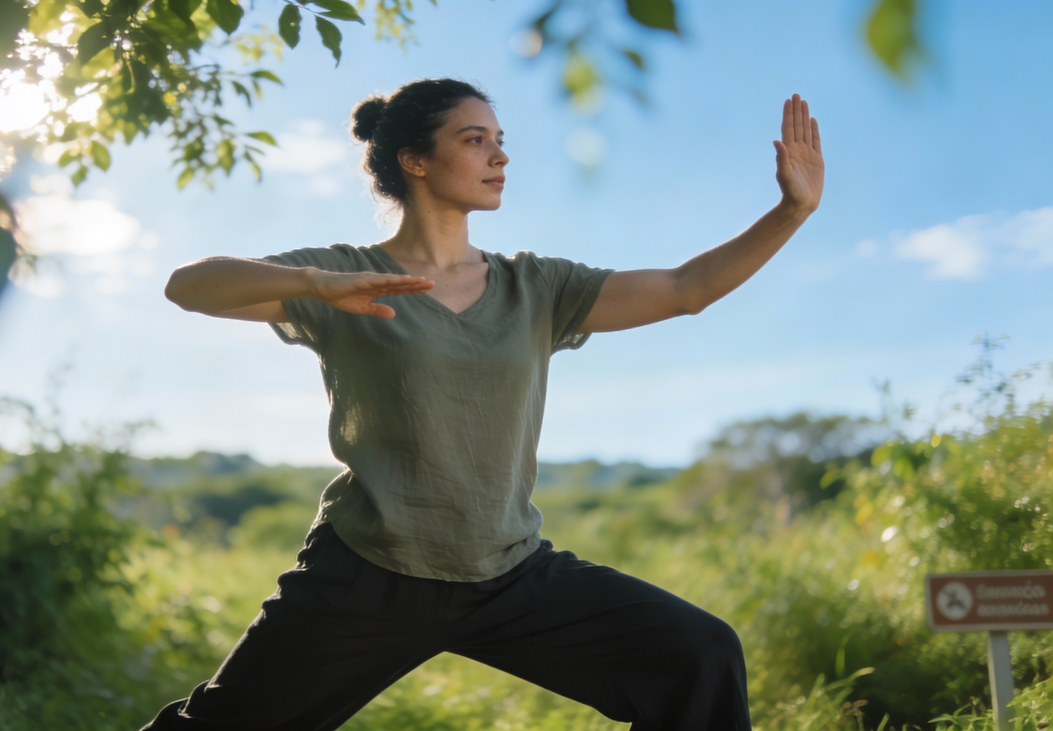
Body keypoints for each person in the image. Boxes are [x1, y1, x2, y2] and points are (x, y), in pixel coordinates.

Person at [148, 76, 824, 731]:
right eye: (475, 139)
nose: (500, 156)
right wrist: (315, 283)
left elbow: (686, 286)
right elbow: (188, 287)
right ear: (415, 159)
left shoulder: (538, 286)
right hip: (367, 570)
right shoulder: (344, 275)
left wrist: (791, 211)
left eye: (501, 140)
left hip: (509, 571)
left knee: (698, 656)